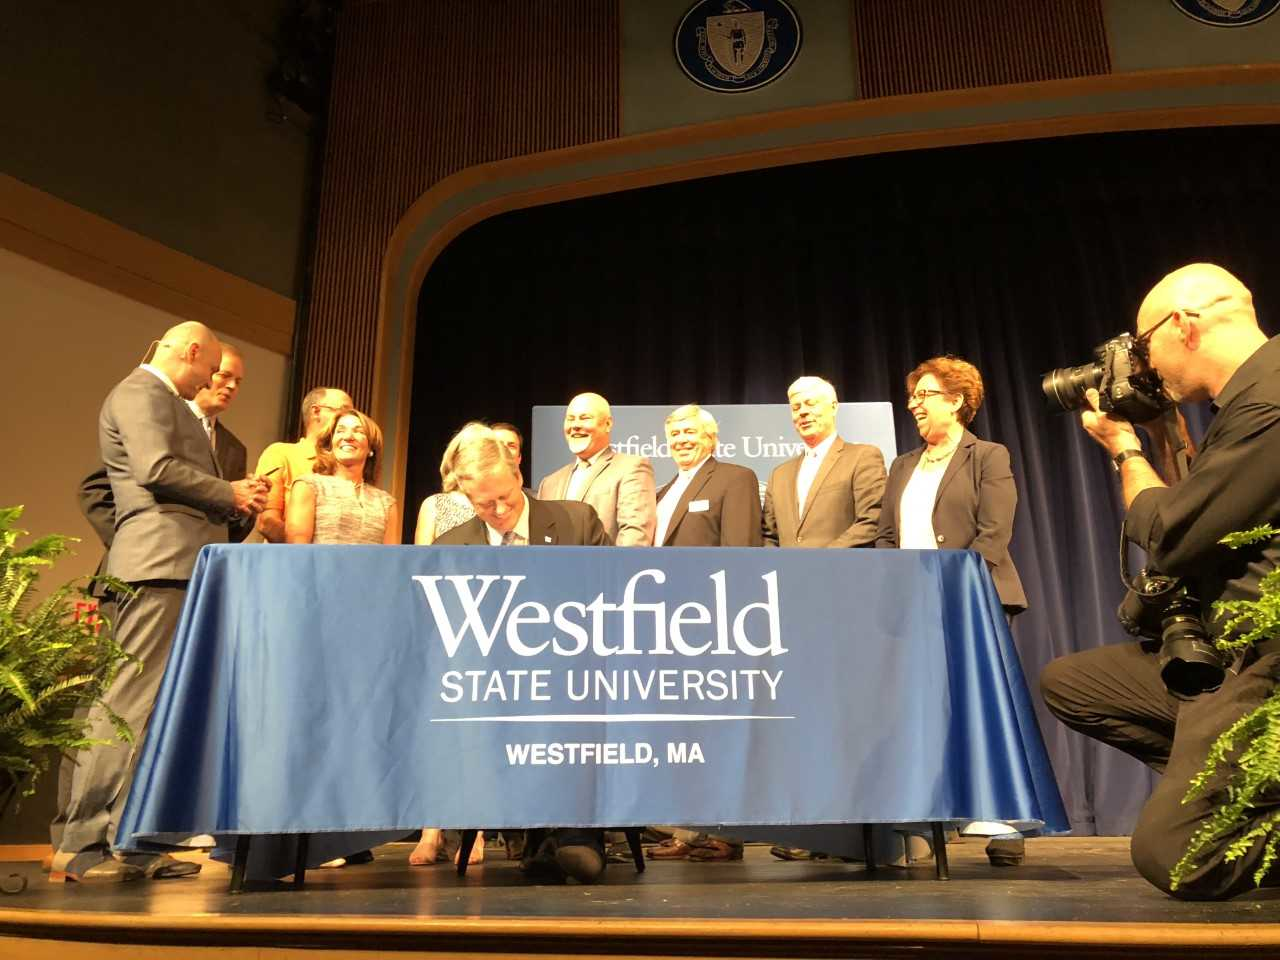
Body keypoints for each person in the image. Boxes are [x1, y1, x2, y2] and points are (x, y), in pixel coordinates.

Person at [1040, 263, 1280, 900]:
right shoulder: (1244, 403)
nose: (1144, 364)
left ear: (1184, 325)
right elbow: (1206, 516)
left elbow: (1171, 534)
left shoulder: (1272, 401)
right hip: (1227, 652)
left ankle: (1225, 808)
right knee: (1073, 683)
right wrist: (1167, 436)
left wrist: (1125, 450)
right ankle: (1227, 784)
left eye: (1144, 346)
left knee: (1177, 854)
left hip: (1267, 663)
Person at [54, 322, 268, 883]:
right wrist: (229, 491)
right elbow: (155, 469)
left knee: (153, 714)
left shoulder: (170, 404)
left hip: (185, 568)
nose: (210, 381)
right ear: (192, 352)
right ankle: (80, 845)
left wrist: (237, 506)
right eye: (210, 369)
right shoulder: (141, 391)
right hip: (158, 567)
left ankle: (131, 840)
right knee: (124, 708)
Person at [436, 425, 613, 883]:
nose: (498, 512)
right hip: (493, 687)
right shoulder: (449, 548)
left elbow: (614, 601)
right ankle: (545, 841)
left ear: (518, 473)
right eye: (484, 505)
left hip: (577, 675)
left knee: (569, 704)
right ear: (465, 496)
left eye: (506, 499)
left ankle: (573, 835)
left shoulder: (576, 522)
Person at [875, 356, 1028, 866]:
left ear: (957, 401)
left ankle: (1004, 821)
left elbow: (994, 533)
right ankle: (926, 820)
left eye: (925, 395)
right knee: (920, 714)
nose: (914, 405)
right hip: (912, 608)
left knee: (984, 711)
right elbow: (886, 537)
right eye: (913, 396)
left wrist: (956, 588)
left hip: (973, 602)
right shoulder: (902, 465)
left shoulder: (987, 456)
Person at [646, 403, 761, 863]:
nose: (681, 440)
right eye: (674, 433)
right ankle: (687, 830)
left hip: (714, 624)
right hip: (669, 627)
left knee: (720, 731)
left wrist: (728, 620)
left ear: (710, 437)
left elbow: (741, 554)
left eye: (690, 432)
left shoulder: (735, 478)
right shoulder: (662, 491)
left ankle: (727, 833)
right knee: (684, 732)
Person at [762, 376, 886, 548]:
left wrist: (821, 559)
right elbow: (769, 537)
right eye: (796, 407)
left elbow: (871, 520)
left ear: (834, 407)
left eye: (811, 403)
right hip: (787, 566)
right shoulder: (779, 475)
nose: (802, 412)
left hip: (842, 564)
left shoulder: (862, 457)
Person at [536, 392, 657, 546]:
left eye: (585, 418)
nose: (575, 426)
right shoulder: (549, 483)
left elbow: (635, 537)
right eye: (570, 419)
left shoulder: (631, 468)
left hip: (605, 562)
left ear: (608, 424)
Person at [286, 409, 399, 546]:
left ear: (371, 448)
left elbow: (392, 557)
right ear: (331, 444)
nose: (348, 436)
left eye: (358, 431)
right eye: (340, 431)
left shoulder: (386, 503)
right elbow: (297, 550)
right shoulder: (308, 486)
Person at [255, 386, 354, 542]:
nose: (349, 420)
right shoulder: (281, 454)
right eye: (343, 411)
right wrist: (305, 547)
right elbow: (267, 522)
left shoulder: (348, 463)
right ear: (316, 412)